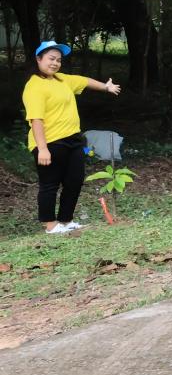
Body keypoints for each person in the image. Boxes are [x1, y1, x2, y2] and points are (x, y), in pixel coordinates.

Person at [22, 41, 122, 233]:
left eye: (58, 60)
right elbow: (36, 120)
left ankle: (66, 221)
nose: (55, 63)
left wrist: (105, 87)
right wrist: (42, 148)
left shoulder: (61, 79)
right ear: (38, 59)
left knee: (74, 180)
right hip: (49, 142)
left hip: (73, 139)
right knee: (50, 184)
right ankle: (50, 225)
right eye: (51, 59)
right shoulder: (34, 86)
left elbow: (84, 81)